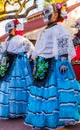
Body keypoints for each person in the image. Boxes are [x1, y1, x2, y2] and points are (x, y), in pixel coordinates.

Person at [25, 0, 80, 130]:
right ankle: (44, 118)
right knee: (42, 93)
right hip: (42, 65)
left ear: (56, 14)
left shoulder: (59, 28)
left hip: (54, 65)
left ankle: (55, 119)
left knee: (54, 92)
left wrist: (62, 61)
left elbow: (63, 44)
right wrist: (35, 60)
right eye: (44, 12)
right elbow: (38, 48)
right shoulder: (44, 30)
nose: (45, 14)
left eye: (48, 12)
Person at [0, 19, 33, 119]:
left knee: (15, 85)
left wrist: (23, 54)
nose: (9, 31)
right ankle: (10, 110)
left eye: (11, 29)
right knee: (6, 86)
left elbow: (30, 47)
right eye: (8, 29)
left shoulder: (20, 38)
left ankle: (19, 110)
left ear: (15, 28)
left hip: (16, 65)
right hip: (5, 63)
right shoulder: (6, 39)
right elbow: (1, 49)